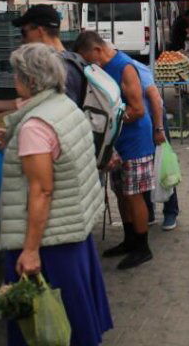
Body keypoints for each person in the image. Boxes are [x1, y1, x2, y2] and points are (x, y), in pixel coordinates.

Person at [0, 43, 112, 346]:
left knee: (53, 326)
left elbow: (42, 190)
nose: (13, 80)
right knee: (77, 319)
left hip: (49, 241)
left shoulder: (35, 126)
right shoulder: (64, 105)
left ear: (31, 80)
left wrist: (30, 249)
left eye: (16, 74)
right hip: (72, 231)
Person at [74, 31, 155, 270]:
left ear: (98, 50)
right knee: (120, 192)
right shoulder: (101, 68)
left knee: (133, 194)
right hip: (116, 142)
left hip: (135, 141)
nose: (87, 63)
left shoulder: (125, 67)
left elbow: (138, 109)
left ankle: (143, 247)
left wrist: (107, 127)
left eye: (87, 57)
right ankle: (129, 239)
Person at [0, 5, 87, 114]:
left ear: (40, 31)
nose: (22, 40)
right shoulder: (72, 59)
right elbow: (38, 101)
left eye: (24, 32)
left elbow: (57, 113)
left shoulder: (61, 68)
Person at [131, 57, 179, 231]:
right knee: (142, 167)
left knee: (164, 165)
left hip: (154, 119)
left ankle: (171, 211)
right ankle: (148, 211)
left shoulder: (132, 67)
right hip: (139, 125)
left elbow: (155, 98)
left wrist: (158, 128)